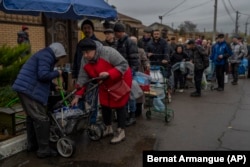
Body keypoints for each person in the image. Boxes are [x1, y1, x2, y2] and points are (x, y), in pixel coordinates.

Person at [71, 38, 132, 144]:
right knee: (105, 104)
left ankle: (121, 131)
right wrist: (77, 95)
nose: (85, 55)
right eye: (83, 53)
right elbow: (82, 77)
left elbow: (123, 65)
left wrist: (109, 73)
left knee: (119, 104)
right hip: (103, 82)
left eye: (87, 52)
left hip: (120, 79)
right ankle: (108, 128)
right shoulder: (85, 59)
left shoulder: (108, 52)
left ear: (94, 49)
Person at [12, 43, 66, 158]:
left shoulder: (44, 55)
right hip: (28, 90)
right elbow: (43, 75)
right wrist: (58, 73)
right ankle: (44, 150)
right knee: (42, 118)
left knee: (32, 117)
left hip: (25, 88)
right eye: (60, 57)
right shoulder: (47, 56)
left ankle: (33, 145)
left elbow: (39, 76)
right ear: (57, 53)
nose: (59, 60)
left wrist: (53, 87)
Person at [72, 19, 101, 128]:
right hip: (81, 74)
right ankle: (80, 120)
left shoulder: (97, 43)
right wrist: (75, 75)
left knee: (92, 100)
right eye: (84, 28)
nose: (86, 30)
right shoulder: (80, 43)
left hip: (93, 77)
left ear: (92, 29)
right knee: (79, 97)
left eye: (88, 28)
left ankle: (92, 122)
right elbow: (76, 59)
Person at [113, 22, 139, 127]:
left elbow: (134, 58)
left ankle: (132, 116)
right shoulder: (118, 42)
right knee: (123, 94)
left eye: (116, 32)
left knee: (130, 95)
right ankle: (125, 115)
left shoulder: (129, 42)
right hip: (121, 72)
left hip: (129, 72)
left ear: (120, 32)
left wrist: (132, 72)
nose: (115, 34)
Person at [147, 29, 171, 101]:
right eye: (155, 34)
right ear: (153, 35)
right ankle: (153, 94)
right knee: (153, 80)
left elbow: (166, 51)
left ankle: (167, 92)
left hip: (162, 63)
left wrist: (165, 59)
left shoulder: (164, 42)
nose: (156, 35)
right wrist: (147, 54)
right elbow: (146, 51)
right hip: (153, 63)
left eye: (157, 34)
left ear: (159, 34)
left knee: (164, 79)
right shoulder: (149, 43)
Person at [130, 36, 150, 117]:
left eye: (134, 41)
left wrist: (147, 64)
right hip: (129, 74)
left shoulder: (140, 51)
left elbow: (145, 60)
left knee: (139, 92)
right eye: (131, 41)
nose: (133, 43)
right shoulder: (126, 50)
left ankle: (138, 111)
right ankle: (131, 111)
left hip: (138, 74)